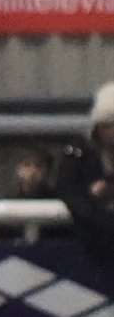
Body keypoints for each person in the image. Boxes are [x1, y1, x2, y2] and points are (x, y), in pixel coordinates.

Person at [59, 82, 114, 280]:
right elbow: (67, 189)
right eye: (108, 125)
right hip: (91, 246)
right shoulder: (79, 153)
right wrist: (92, 196)